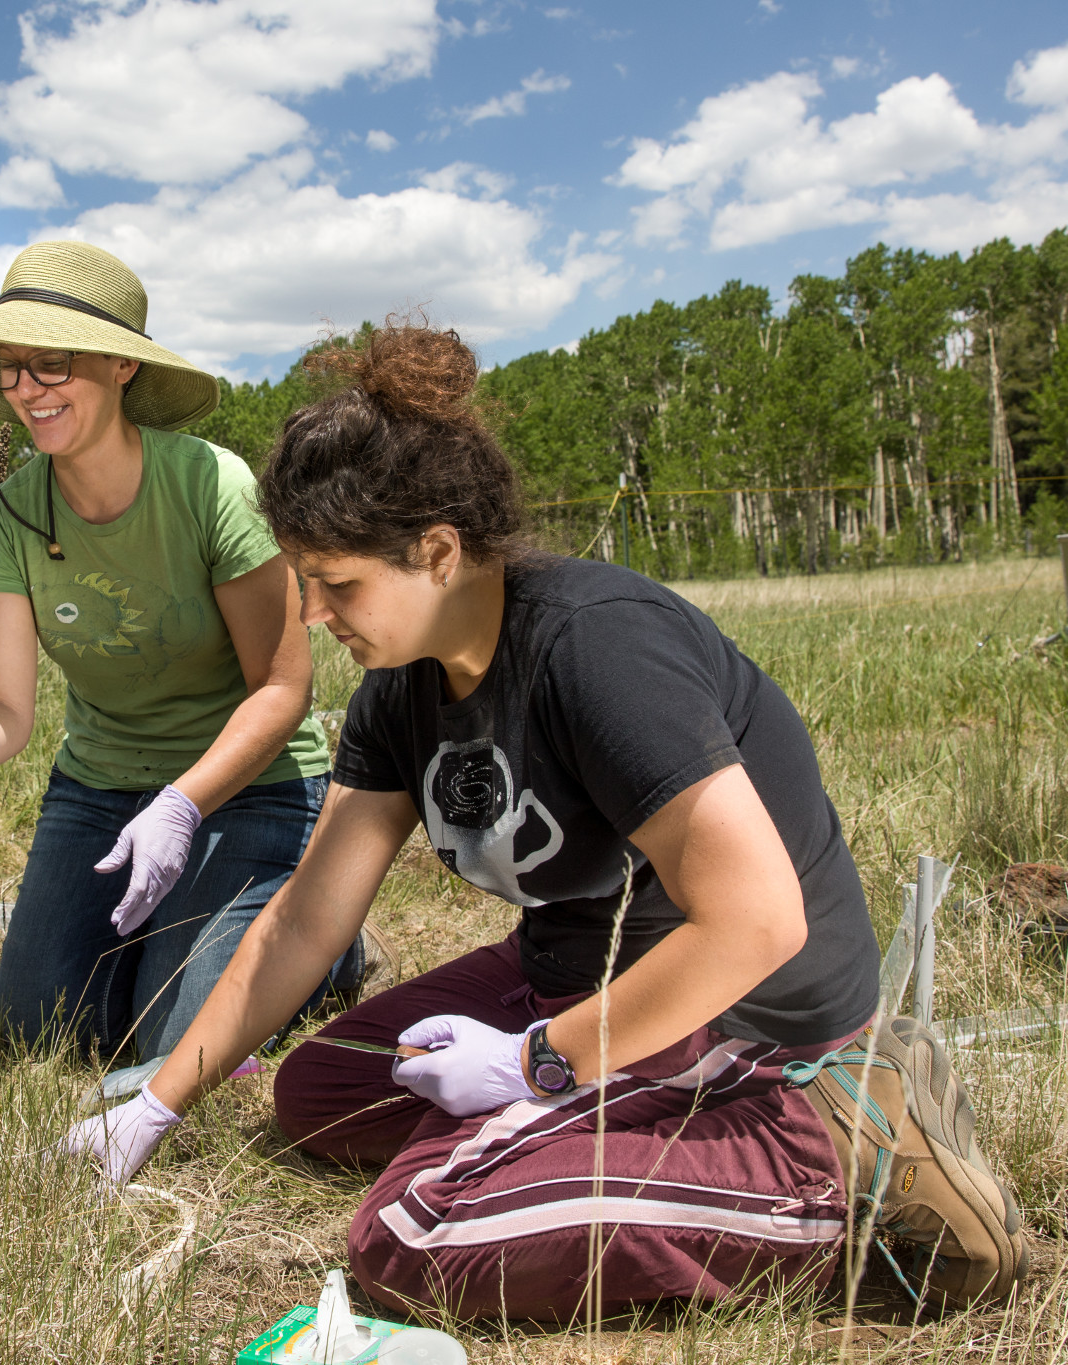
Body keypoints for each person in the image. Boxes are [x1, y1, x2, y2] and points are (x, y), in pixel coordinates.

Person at [62, 321, 1031, 1319]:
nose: (310, 612)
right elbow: (306, 921)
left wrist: (534, 1066)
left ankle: (841, 1173)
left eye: (336, 582)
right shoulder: (397, 693)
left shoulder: (596, 651)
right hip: (573, 980)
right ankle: (565, 1139)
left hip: (748, 1026)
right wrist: (157, 1102)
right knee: (321, 1091)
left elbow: (756, 923)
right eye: (301, 580)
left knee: (411, 1233)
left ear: (436, 552)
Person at [0, 241, 367, 1061]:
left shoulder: (212, 486)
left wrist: (182, 804)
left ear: (120, 367)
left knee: (176, 1042)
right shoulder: (8, 521)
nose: (28, 390)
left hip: (247, 787)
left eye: (52, 364)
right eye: (10, 368)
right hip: (97, 789)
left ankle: (327, 940)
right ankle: (180, 933)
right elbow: (2, 706)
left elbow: (282, 688)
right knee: (41, 1031)